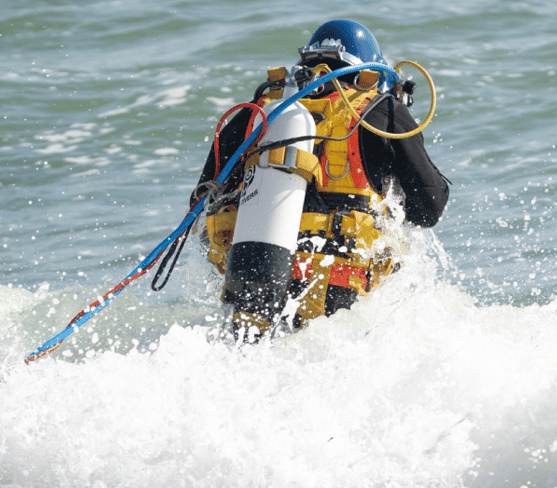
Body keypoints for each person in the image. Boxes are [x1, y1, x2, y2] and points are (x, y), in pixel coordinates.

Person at [190, 19, 449, 337]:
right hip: (336, 287)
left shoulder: (255, 115)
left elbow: (201, 204)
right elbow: (429, 207)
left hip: (252, 282)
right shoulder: (382, 112)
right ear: (367, 74)